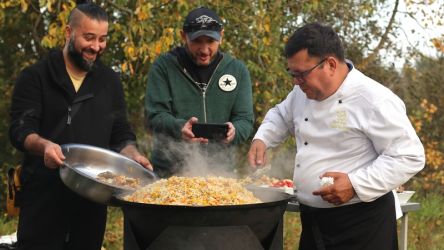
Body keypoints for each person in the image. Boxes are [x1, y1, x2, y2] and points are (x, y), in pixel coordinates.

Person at [248, 22, 425, 250]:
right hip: (313, 222)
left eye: (301, 74)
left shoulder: (374, 100)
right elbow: (281, 115)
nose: (295, 82)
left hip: (362, 225)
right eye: (292, 74)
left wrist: (354, 184)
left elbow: (409, 156)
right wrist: (262, 138)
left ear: (330, 64)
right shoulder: (301, 93)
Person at [8, 2, 152, 250]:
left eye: (102, 39)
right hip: (43, 198)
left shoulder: (109, 81)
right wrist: (44, 146)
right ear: (68, 32)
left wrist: (133, 155)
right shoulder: (35, 76)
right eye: (89, 38)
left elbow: (120, 134)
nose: (96, 47)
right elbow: (20, 130)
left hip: (92, 201)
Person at [145, 6, 254, 177]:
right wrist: (179, 127)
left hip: (220, 174)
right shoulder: (164, 67)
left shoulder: (237, 70)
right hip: (169, 173)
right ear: (183, 36)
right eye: (197, 41)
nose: (204, 50)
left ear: (221, 37)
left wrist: (235, 132)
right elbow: (155, 116)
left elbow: (245, 120)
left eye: (210, 42)